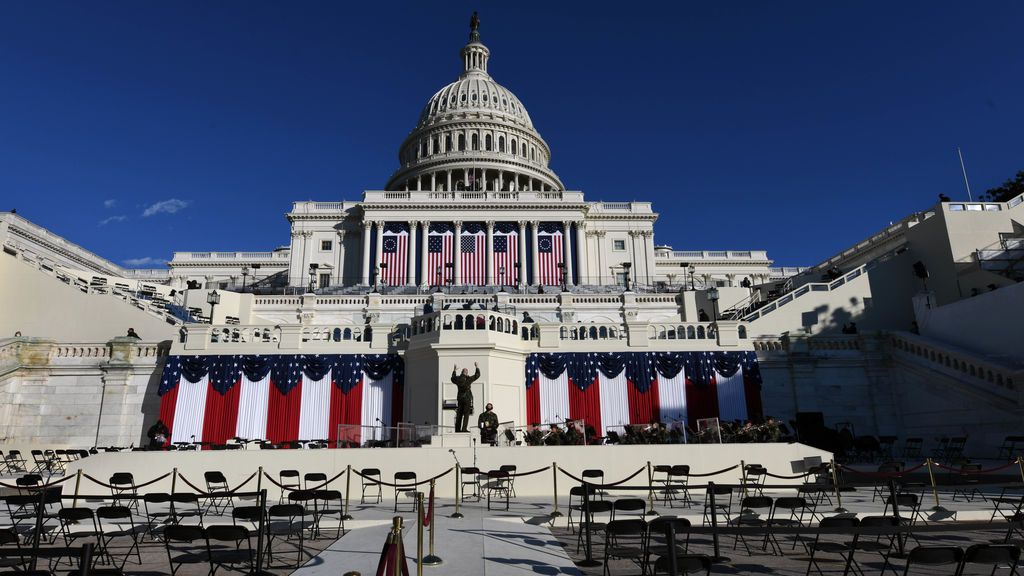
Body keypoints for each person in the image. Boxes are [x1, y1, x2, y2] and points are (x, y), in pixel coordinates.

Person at [451, 363, 480, 433]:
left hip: (460, 398)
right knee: (466, 414)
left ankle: (457, 429)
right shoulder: (469, 379)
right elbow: (477, 375)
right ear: (466, 373)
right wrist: (477, 367)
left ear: (461, 372)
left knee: (459, 414)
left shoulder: (458, 378)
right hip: (467, 398)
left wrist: (454, 370)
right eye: (467, 372)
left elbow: (452, 378)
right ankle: (464, 429)